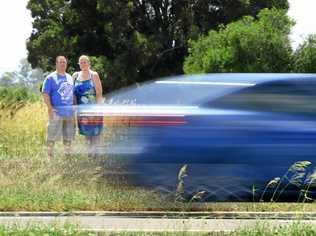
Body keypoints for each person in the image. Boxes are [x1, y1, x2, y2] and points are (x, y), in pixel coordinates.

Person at [42, 56, 75, 157]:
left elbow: (72, 94)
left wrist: (73, 108)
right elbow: (45, 93)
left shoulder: (69, 77)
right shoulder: (50, 78)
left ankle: (67, 155)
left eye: (64, 62)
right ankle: (50, 156)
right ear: (56, 64)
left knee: (68, 135)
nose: (63, 64)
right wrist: (50, 108)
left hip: (69, 113)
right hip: (56, 111)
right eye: (60, 62)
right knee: (52, 135)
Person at [73, 55, 103, 156]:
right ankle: (90, 153)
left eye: (85, 62)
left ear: (89, 63)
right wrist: (75, 107)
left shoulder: (93, 75)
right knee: (86, 131)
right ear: (78, 64)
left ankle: (96, 153)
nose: (83, 64)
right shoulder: (75, 76)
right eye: (81, 62)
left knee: (95, 131)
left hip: (94, 107)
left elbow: (99, 93)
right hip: (81, 110)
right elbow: (73, 94)